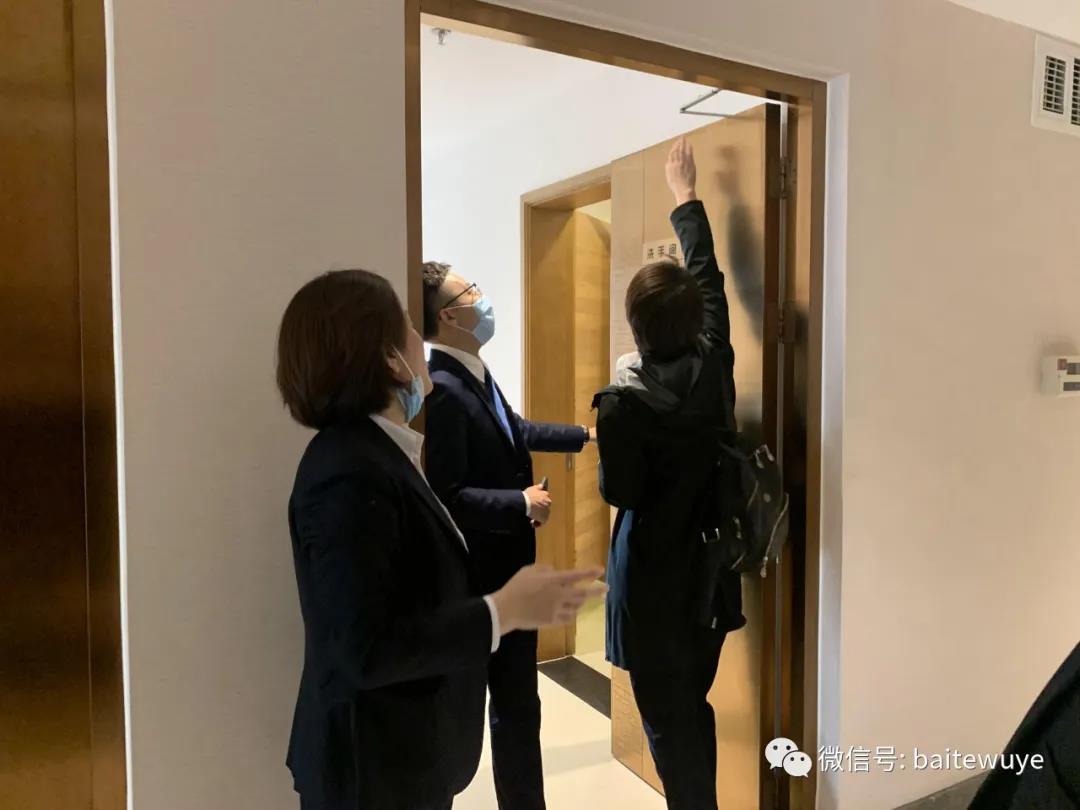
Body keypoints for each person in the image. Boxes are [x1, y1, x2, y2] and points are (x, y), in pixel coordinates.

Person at [276, 269, 602, 810]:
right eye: (407, 326)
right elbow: (366, 647)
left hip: (403, 755)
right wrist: (502, 610)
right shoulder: (349, 473)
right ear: (388, 357)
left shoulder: (380, 452)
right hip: (373, 769)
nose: (418, 339)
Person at [592, 137, 747, 810]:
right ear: (695, 322)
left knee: (665, 717)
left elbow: (619, 492)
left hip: (652, 583)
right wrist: (686, 197)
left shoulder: (620, 404)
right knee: (694, 704)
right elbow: (709, 281)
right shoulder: (715, 368)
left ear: (634, 325)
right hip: (710, 574)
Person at [421, 265, 596, 810]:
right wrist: (520, 503)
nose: (482, 297)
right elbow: (447, 496)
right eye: (470, 291)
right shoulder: (443, 389)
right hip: (484, 582)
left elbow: (514, 429)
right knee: (495, 710)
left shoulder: (473, 373)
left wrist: (586, 435)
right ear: (449, 316)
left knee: (520, 707)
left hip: (511, 572)